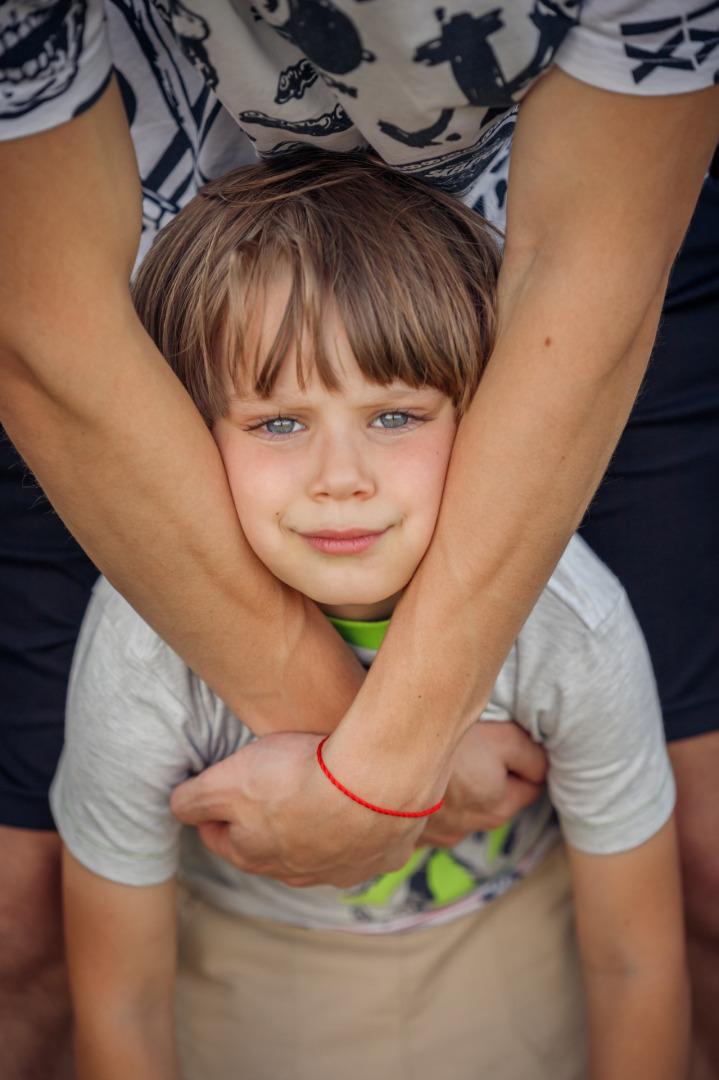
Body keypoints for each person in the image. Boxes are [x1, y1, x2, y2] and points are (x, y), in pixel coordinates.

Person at [1, 3, 718, 1075]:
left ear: (467, 416)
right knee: (17, 930)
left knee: (709, 861)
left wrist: (385, 780)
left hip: (523, 271)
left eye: (391, 418)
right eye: (284, 427)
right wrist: (401, 771)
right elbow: (47, 327)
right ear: (199, 435)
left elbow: (633, 965)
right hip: (145, 294)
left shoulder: (571, 622)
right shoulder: (139, 660)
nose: (340, 477)